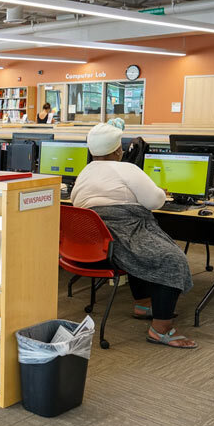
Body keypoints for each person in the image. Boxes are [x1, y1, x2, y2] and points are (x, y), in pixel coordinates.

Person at [70, 119, 197, 349]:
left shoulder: (85, 172)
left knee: (144, 251)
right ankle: (161, 329)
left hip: (94, 242)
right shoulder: (126, 168)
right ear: (118, 150)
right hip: (122, 232)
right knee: (172, 259)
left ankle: (143, 304)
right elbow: (155, 201)